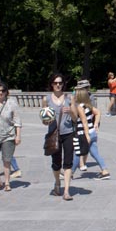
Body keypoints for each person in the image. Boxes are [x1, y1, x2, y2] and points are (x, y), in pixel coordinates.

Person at [43, 73, 78, 201]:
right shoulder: (46, 99)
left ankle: (67, 191)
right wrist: (47, 120)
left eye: (60, 83)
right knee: (56, 164)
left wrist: (70, 111)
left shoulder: (70, 98)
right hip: (54, 134)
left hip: (68, 133)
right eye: (55, 83)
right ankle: (57, 182)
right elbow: (44, 120)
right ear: (51, 84)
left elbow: (75, 118)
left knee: (68, 163)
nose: (58, 85)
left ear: (63, 84)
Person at [72, 87, 109, 179]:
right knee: (95, 153)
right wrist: (95, 124)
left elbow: (84, 122)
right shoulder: (87, 105)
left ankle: (70, 173)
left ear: (79, 96)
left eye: (75, 94)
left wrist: (86, 135)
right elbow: (98, 112)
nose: (74, 95)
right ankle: (105, 171)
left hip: (85, 134)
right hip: (93, 132)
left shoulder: (80, 107)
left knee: (77, 152)